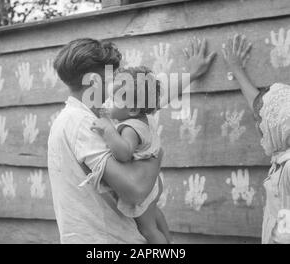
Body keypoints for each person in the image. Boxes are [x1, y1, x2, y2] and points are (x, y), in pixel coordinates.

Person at [48, 37, 215, 243]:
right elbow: (135, 192)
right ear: (93, 82)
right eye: (111, 81)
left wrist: (191, 74)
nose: (116, 87)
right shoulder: (81, 122)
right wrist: (157, 155)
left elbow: (140, 104)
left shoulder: (97, 114)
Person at [222, 34, 290, 244]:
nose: (258, 128)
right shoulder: (283, 156)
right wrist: (237, 69)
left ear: (275, 126)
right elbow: (262, 107)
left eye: (260, 124)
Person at [90, 66, 170, 243]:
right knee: (154, 214)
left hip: (144, 187)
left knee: (148, 229)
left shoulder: (130, 128)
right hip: (152, 183)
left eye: (114, 99)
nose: (108, 102)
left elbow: (124, 153)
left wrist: (108, 130)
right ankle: (169, 240)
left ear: (133, 109)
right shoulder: (141, 120)